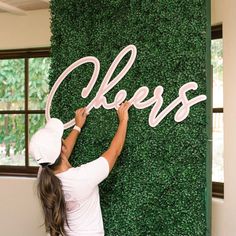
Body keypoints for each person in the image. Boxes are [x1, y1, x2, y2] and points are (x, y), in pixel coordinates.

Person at [29, 101, 131, 236]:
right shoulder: (82, 178)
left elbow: (62, 153)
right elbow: (114, 151)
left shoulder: (43, 174)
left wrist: (77, 127)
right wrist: (124, 120)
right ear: (62, 146)